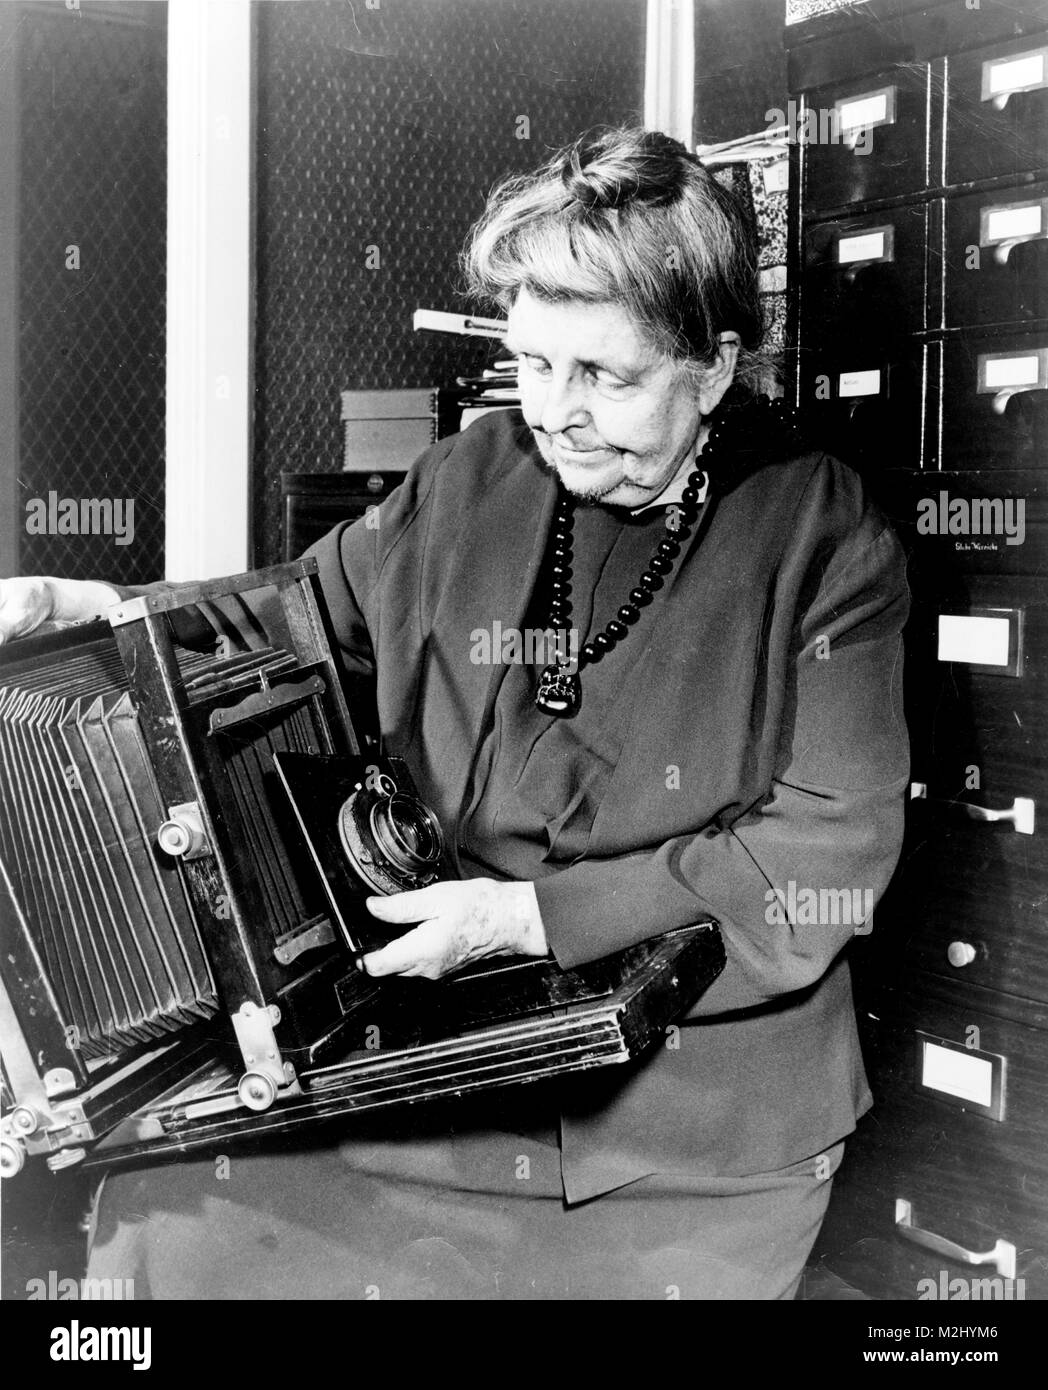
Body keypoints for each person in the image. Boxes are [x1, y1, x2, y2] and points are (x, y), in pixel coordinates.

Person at [0, 128, 909, 1300]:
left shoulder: (826, 540)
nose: (556, 414)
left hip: (683, 1138)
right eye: (533, 364)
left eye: (606, 376)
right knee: (156, 1235)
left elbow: (820, 860)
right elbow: (293, 617)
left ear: (715, 365)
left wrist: (531, 919)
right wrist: (102, 609)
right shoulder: (472, 476)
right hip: (436, 1073)